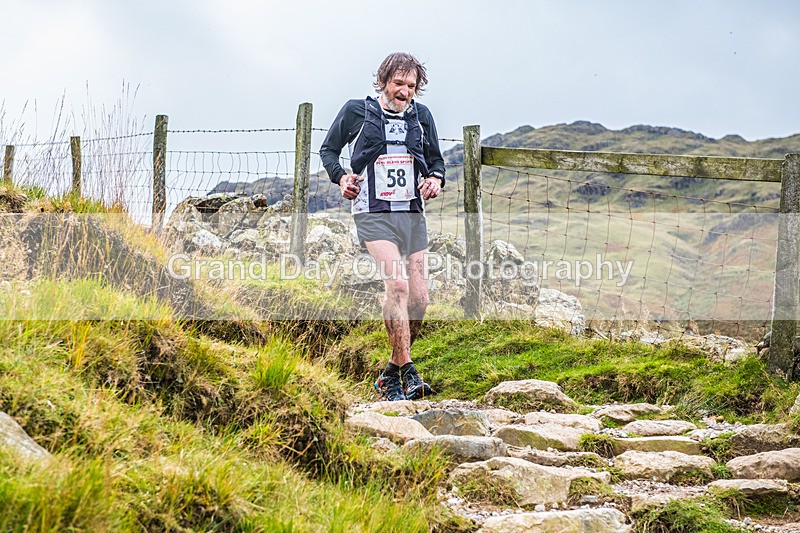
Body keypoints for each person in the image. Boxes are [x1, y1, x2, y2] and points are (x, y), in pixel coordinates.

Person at [320, 52, 446, 401]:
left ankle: (390, 372)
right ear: (383, 81)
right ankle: (409, 372)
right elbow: (328, 151)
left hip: (411, 215)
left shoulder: (421, 117)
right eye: (398, 83)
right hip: (373, 213)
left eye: (411, 86)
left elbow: (436, 161)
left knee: (420, 298)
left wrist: (435, 179)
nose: (404, 91)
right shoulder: (356, 111)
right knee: (399, 287)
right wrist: (342, 176)